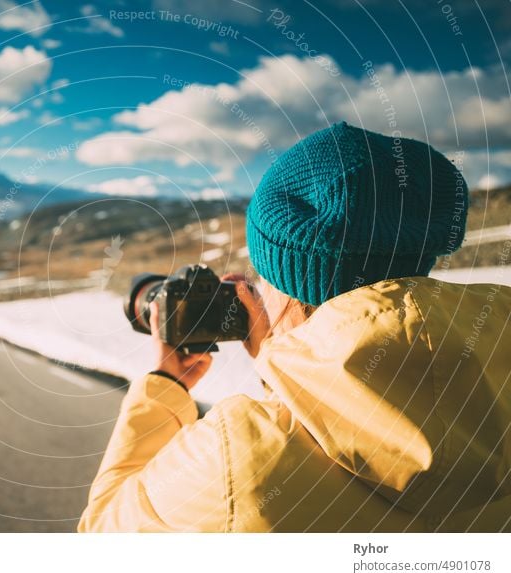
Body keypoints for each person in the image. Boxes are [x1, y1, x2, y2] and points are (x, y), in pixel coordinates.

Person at [78, 122, 511, 532]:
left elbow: (103, 533)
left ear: (289, 283)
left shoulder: (235, 455)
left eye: (259, 275)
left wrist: (162, 385)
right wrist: (291, 363)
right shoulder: (498, 365)